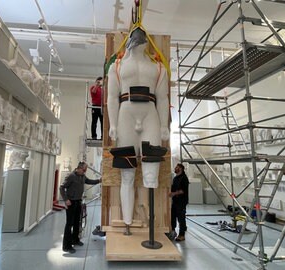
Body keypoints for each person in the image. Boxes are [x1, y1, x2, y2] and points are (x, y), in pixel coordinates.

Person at [107, 27, 169, 235]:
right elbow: (111, 97)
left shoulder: (159, 67)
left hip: (150, 114)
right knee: (127, 174)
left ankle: (151, 226)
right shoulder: (116, 66)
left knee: (151, 172)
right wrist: (113, 124)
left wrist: (163, 126)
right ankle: (126, 223)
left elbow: (163, 98)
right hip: (126, 115)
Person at [59, 161, 101, 253]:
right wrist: (66, 200)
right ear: (79, 168)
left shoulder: (82, 176)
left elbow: (88, 181)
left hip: (78, 201)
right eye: (84, 170)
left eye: (86, 170)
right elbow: (61, 187)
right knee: (69, 224)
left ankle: (75, 240)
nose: (85, 171)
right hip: (71, 202)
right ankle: (66, 246)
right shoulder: (71, 176)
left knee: (77, 222)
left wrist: (99, 180)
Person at [168, 163, 189, 241]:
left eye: (177, 167)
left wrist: (173, 193)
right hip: (175, 201)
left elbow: (182, 191)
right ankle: (173, 230)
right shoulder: (176, 178)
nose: (175, 168)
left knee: (181, 218)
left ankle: (182, 235)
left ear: (181, 169)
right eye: (175, 167)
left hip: (182, 201)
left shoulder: (184, 178)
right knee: (173, 216)